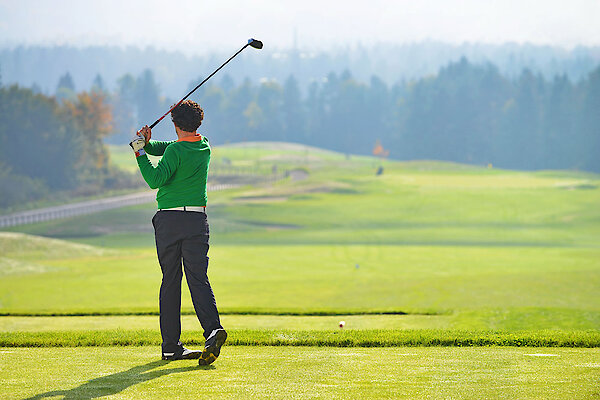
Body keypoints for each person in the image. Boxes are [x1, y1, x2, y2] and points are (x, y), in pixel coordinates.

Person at [129, 100, 227, 366]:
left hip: (170, 220)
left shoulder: (175, 151)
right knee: (198, 278)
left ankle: (171, 347)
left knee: (171, 280)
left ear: (174, 125)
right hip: (197, 221)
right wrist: (148, 143)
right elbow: (170, 148)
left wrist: (140, 152)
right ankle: (213, 330)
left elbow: (154, 180)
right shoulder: (203, 146)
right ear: (198, 124)